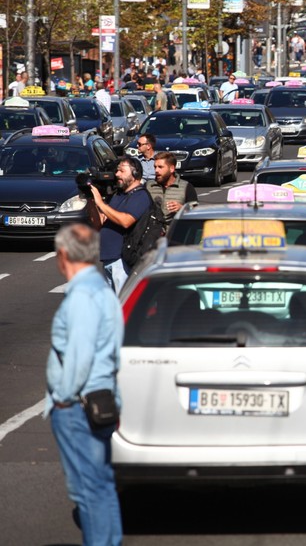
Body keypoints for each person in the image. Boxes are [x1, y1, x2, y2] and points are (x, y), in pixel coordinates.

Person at [45, 224, 123, 546]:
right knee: (101, 484)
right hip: (100, 398)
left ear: (63, 255)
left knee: (87, 490)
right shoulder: (103, 290)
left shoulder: (82, 296)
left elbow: (78, 354)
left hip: (78, 405)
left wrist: (63, 398)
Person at [86, 156, 152, 293]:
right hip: (108, 258)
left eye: (122, 171)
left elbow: (126, 221)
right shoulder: (118, 196)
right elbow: (99, 224)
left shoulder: (140, 196)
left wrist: (100, 203)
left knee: (122, 304)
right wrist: (91, 201)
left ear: (135, 174)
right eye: (117, 171)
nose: (117, 175)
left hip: (122, 260)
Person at [146, 151, 198, 228]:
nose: (156, 170)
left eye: (160, 167)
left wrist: (182, 208)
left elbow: (196, 212)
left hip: (175, 234)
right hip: (152, 234)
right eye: (155, 167)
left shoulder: (186, 187)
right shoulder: (149, 186)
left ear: (171, 169)